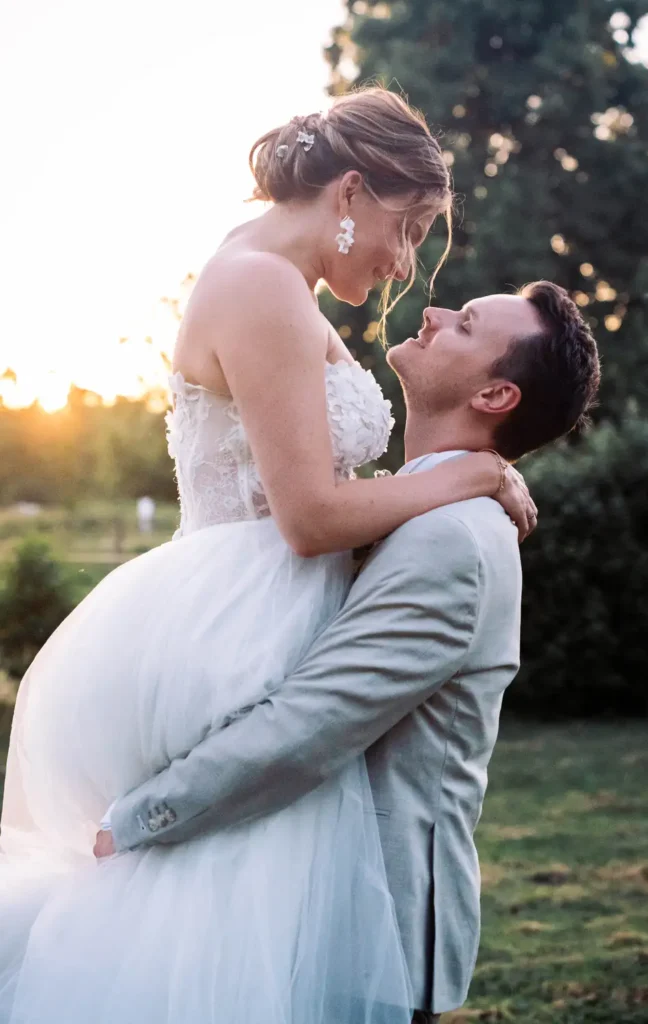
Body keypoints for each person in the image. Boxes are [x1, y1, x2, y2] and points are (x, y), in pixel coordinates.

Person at [0, 88, 535, 1024]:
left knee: (229, 905)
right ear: (352, 194)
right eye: (406, 229)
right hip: (235, 621)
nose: (405, 263)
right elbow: (309, 515)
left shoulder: (275, 285)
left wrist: (457, 478)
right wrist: (473, 479)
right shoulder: (257, 285)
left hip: (260, 603)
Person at [96, 283, 600, 1022]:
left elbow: (309, 726)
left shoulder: (451, 540)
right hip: (306, 901)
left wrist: (137, 822)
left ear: (495, 393)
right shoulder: (413, 506)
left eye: (463, 324)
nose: (431, 312)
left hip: (373, 938)